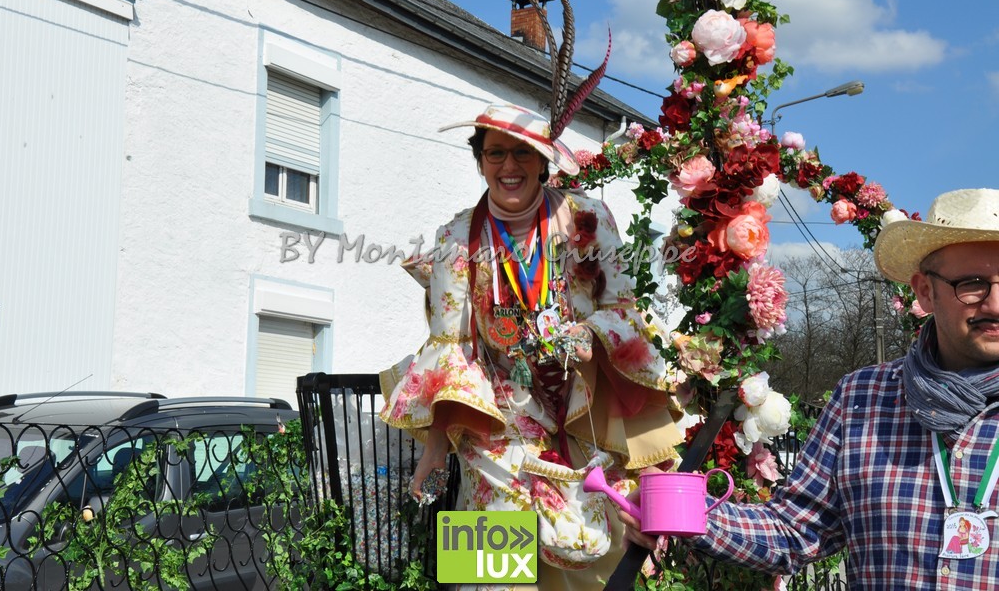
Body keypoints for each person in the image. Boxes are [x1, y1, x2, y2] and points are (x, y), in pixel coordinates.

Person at [620, 188, 999, 589]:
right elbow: (795, 530)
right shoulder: (862, 400)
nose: (995, 305)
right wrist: (681, 512)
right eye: (972, 284)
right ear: (925, 291)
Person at [380, 102, 683, 589]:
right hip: (497, 425)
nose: (509, 166)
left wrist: (591, 332)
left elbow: (625, 308)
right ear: (479, 161)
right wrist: (436, 445)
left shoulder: (588, 217)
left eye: (523, 153)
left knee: (594, 560)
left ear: (544, 160)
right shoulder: (456, 237)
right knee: (488, 577)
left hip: (584, 413)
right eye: (495, 153)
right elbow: (449, 345)